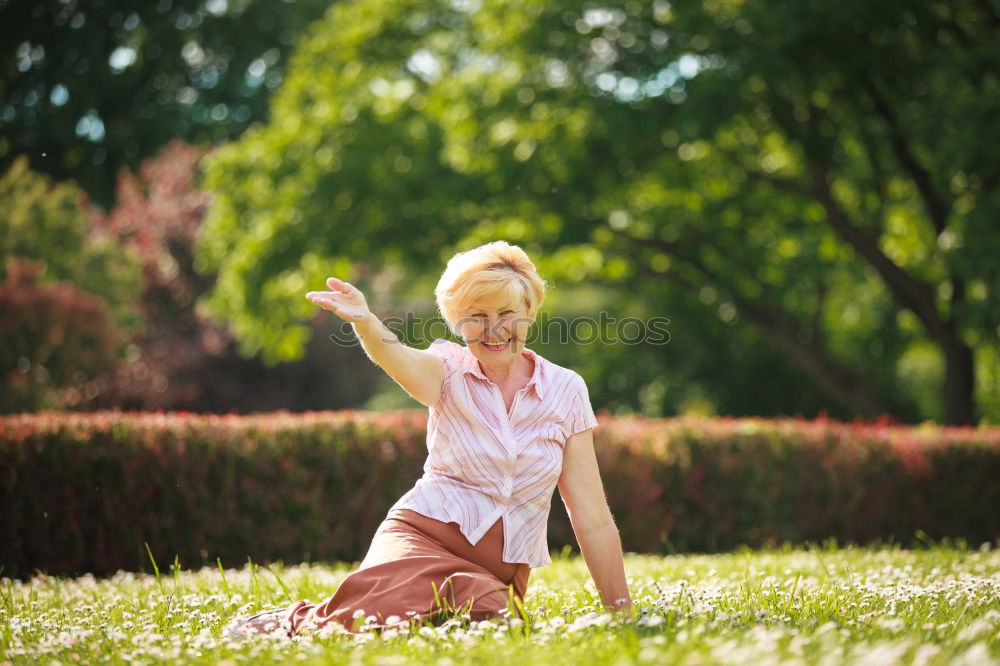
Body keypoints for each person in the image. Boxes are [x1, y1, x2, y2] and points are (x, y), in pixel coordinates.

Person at [224, 241, 630, 637]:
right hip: (419, 540)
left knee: (498, 625)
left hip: (495, 574)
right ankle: (295, 620)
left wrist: (624, 616)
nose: (493, 329)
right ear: (457, 321)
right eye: (476, 315)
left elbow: (591, 516)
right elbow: (398, 357)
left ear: (529, 312)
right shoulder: (447, 370)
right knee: (375, 623)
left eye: (507, 312)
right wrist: (365, 321)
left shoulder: (565, 390)